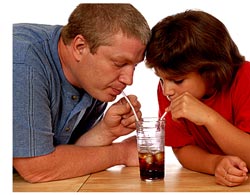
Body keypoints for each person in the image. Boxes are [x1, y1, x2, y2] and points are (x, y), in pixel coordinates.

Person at [13, 3, 151, 183]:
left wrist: (106, 132)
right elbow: (37, 168)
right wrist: (122, 153)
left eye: (134, 66)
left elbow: (68, 157)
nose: (129, 80)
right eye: (119, 63)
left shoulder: (90, 78)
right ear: (80, 47)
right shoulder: (21, 62)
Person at [145, 10, 250, 187]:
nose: (166, 90)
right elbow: (182, 148)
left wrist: (209, 118)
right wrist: (215, 163)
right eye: (161, 79)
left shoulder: (245, 78)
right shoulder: (170, 90)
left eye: (178, 80)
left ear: (211, 71)